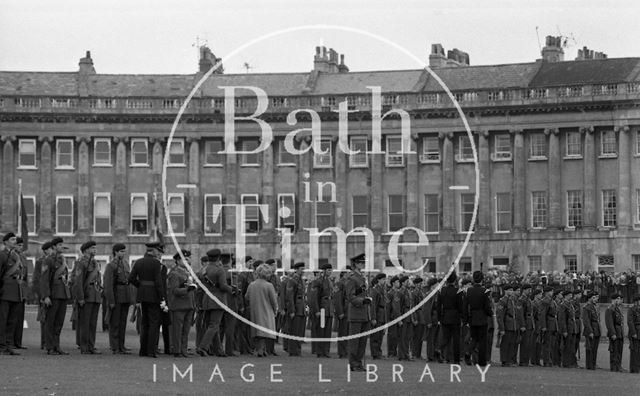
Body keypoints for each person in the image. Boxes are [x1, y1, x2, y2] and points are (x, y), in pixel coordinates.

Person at [128, 241, 166, 358]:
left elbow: (131, 278)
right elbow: (159, 283)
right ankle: (151, 351)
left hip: (142, 295)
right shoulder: (156, 264)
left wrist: (141, 286)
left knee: (144, 323)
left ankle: (143, 350)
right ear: (154, 251)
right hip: (154, 295)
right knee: (154, 323)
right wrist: (162, 297)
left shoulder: (138, 262)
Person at [196, 249, 232, 357]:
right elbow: (223, 286)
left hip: (207, 299)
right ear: (218, 258)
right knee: (214, 325)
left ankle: (219, 350)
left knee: (213, 326)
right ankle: (203, 347)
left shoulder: (204, 270)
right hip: (218, 300)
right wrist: (233, 290)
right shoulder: (219, 270)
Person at [103, 243, 133, 354]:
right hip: (116, 296)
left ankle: (122, 345)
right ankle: (114, 346)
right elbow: (108, 285)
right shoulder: (111, 265)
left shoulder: (126, 264)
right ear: (115, 252)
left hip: (125, 295)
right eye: (121, 251)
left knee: (123, 322)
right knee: (115, 323)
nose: (123, 253)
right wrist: (111, 300)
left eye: (124, 251)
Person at [74, 241, 102, 354]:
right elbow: (78, 282)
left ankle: (91, 346)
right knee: (85, 323)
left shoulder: (95, 263)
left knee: (93, 323)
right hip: (87, 295)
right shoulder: (81, 263)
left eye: (95, 248)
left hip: (95, 295)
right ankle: (84, 347)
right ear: (86, 250)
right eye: (92, 248)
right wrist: (80, 297)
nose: (95, 250)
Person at [167, 249, 196, 358]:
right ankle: (177, 350)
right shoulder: (174, 273)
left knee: (186, 330)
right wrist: (187, 290)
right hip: (179, 305)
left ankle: (184, 350)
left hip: (189, 304)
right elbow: (174, 290)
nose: (188, 261)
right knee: (177, 330)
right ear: (178, 261)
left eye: (188, 259)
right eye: (185, 259)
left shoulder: (188, 272)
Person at [245, 263, 279, 357]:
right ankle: (260, 350)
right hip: (266, 310)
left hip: (255, 310)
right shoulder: (269, 285)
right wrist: (275, 309)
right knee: (264, 332)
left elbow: (246, 297)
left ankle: (262, 349)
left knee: (258, 333)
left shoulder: (252, 284)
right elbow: (273, 300)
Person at [346, 253, 371, 371]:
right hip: (356, 313)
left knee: (362, 342)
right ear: (355, 264)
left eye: (363, 263)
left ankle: (359, 362)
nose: (362, 265)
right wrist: (363, 301)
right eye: (360, 263)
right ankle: (353, 363)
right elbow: (350, 297)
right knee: (355, 341)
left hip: (364, 313)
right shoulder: (352, 278)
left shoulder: (362, 278)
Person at [465, 270, 493, 367]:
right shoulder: (485, 291)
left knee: (474, 338)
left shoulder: (469, 290)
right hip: (481, 317)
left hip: (472, 316)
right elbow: (487, 306)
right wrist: (490, 313)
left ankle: (468, 351)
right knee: (482, 341)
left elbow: (466, 305)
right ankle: (482, 361)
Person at [0, 232, 22, 355]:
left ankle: (8, 345)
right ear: (6, 242)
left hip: (15, 291)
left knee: (12, 320)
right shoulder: (2, 255)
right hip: (5, 291)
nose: (15, 241)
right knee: (2, 320)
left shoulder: (16, 255)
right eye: (12, 239)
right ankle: (2, 346)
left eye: (15, 239)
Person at [437, 270, 462, 364]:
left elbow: (439, 306)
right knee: (456, 339)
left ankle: (439, 349)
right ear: (455, 280)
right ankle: (455, 359)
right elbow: (460, 306)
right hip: (455, 316)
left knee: (446, 338)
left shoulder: (442, 291)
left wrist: (439, 318)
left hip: (445, 316)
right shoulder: (458, 291)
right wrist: (462, 316)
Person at [309, 262, 334, 358]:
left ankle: (326, 351)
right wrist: (317, 310)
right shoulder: (318, 281)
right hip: (322, 309)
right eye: (328, 270)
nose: (330, 272)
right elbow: (314, 297)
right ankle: (319, 351)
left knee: (328, 331)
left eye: (331, 270)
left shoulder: (329, 281)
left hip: (329, 309)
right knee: (321, 331)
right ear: (323, 271)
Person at [32, 241, 53, 349]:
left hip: (52, 293)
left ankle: (51, 342)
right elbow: (36, 279)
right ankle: (44, 342)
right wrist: (41, 296)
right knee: (44, 319)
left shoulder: (54, 260)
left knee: (51, 319)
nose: (52, 250)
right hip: (43, 294)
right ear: (45, 250)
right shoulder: (40, 261)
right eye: (50, 248)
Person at [10, 237, 29, 350]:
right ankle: (10, 342)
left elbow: (25, 276)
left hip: (21, 290)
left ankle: (18, 342)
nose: (20, 247)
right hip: (12, 289)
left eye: (21, 245)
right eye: (18, 245)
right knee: (12, 318)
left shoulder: (23, 257)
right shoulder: (10, 256)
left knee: (20, 317)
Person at [285, 262, 306, 356]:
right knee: (294, 330)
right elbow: (290, 296)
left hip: (301, 307)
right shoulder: (292, 280)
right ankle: (293, 350)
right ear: (296, 269)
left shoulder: (301, 280)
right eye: (301, 269)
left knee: (299, 330)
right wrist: (292, 310)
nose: (303, 271)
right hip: (296, 308)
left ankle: (298, 349)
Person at [497, 284, 519, 367]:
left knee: (512, 343)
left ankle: (509, 360)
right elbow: (500, 316)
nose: (511, 291)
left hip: (513, 324)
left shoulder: (512, 300)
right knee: (505, 344)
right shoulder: (502, 301)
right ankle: (504, 360)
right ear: (505, 291)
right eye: (509, 290)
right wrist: (502, 328)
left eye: (512, 290)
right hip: (507, 324)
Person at [369, 273, 387, 359]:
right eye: (383, 279)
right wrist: (373, 317)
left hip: (382, 313)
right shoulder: (375, 290)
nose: (384, 281)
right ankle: (375, 353)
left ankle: (379, 352)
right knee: (375, 335)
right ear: (378, 280)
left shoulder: (382, 289)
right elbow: (373, 305)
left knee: (380, 335)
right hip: (377, 313)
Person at [605, 293, 624, 372]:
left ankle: (618, 366)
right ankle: (614, 367)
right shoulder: (610, 309)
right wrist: (612, 333)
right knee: (614, 350)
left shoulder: (617, 309)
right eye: (618, 299)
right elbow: (609, 322)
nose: (619, 300)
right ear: (614, 299)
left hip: (619, 332)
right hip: (615, 332)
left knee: (619, 350)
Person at [582, 290, 601, 370]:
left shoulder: (594, 307)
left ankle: (593, 364)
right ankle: (589, 365)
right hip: (591, 330)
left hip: (596, 330)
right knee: (590, 348)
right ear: (589, 299)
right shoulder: (587, 307)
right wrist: (590, 331)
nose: (595, 299)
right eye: (593, 298)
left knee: (595, 349)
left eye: (595, 297)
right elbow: (586, 321)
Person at [333, 270, 350, 358]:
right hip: (343, 311)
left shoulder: (349, 283)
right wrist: (340, 312)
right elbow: (337, 299)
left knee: (347, 332)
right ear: (343, 274)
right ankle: (342, 352)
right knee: (343, 332)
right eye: (348, 272)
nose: (349, 274)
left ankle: (346, 351)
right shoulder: (339, 283)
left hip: (349, 311)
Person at [628, 295, 640, 373]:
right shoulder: (631, 309)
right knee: (634, 351)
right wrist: (633, 332)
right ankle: (634, 368)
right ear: (637, 301)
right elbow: (630, 322)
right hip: (636, 331)